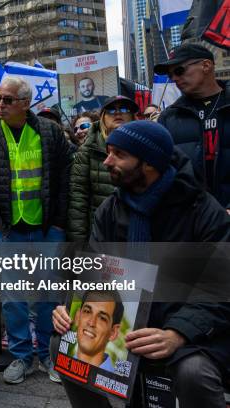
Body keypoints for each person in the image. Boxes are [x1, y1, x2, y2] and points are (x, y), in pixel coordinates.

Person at [54, 120, 230, 408]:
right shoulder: (109, 210)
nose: (107, 161)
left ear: (148, 164)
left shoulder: (202, 210)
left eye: (119, 155)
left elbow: (218, 287)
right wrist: (68, 307)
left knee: (193, 372)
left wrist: (177, 333)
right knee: (60, 344)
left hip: (189, 327)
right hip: (125, 321)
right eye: (108, 151)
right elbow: (90, 274)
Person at [0, 76, 71, 383]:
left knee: (47, 295)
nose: (0, 105)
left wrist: (58, 222)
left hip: (46, 228)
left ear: (26, 103)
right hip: (7, 231)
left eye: (7, 100)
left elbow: (66, 177)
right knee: (13, 298)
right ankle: (22, 357)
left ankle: (48, 355)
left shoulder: (50, 132)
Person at [154, 43, 230, 210]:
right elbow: (165, 173)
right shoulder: (169, 117)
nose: (174, 78)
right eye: (170, 74)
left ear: (206, 66)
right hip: (193, 220)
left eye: (179, 70)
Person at [67, 96, 138, 242]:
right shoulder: (87, 150)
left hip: (138, 231)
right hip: (102, 234)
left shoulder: (145, 145)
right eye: (112, 110)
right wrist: (79, 245)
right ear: (103, 117)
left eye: (124, 109)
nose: (118, 113)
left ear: (132, 116)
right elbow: (78, 202)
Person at [70, 290, 123, 372]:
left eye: (102, 318)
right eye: (87, 311)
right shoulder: (59, 365)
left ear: (113, 333)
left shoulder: (116, 382)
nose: (91, 323)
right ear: (77, 317)